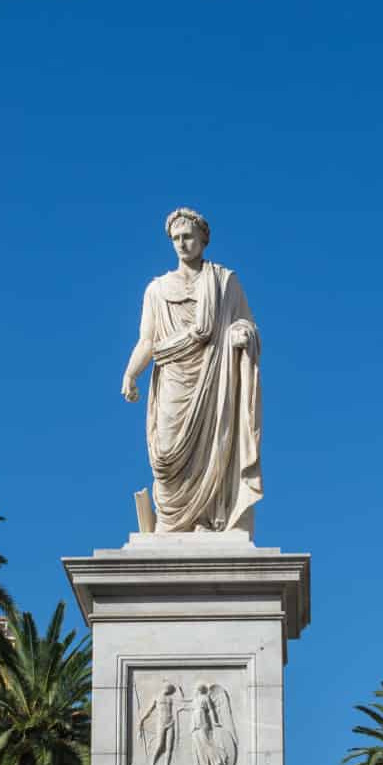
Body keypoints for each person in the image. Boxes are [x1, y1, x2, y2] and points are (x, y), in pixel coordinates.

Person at [120, 208, 263, 536]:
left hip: (215, 379)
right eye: (176, 239)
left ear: (203, 239)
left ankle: (205, 520)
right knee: (167, 456)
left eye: (188, 237)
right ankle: (172, 522)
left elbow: (247, 324)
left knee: (215, 447)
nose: (182, 244)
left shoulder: (224, 282)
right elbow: (147, 340)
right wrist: (131, 373)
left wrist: (241, 334)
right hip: (173, 378)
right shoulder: (156, 290)